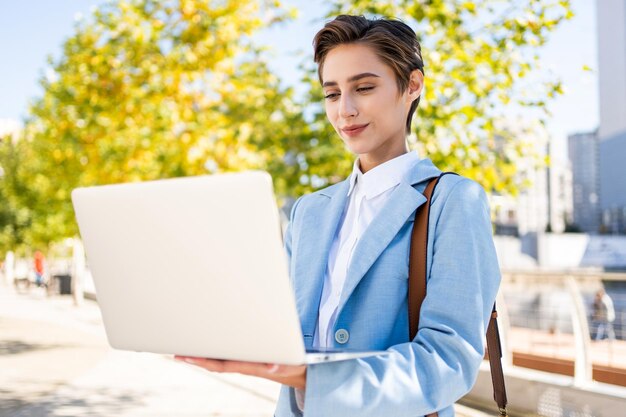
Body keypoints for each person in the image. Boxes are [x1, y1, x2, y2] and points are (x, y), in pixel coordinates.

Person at [176, 15, 501, 417]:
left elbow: (448, 361)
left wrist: (317, 380)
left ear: (412, 86)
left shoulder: (454, 201)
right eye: (332, 94)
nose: (345, 110)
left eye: (363, 88)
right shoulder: (310, 211)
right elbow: (290, 335)